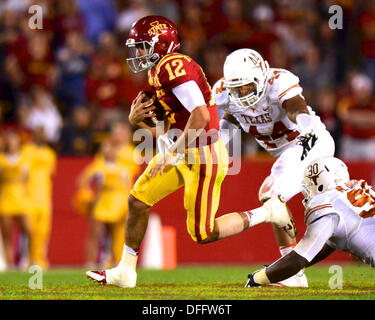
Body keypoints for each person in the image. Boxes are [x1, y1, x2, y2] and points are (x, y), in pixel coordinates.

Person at [86, 15, 294, 288]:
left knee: (202, 233)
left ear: (159, 44)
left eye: (142, 46)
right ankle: (126, 271)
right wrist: (138, 123)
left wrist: (172, 152)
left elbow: (200, 117)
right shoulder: (158, 70)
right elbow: (170, 128)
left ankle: (268, 213)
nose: (137, 53)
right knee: (138, 200)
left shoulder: (173, 66)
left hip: (204, 154)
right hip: (184, 148)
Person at [213, 48, 336, 286]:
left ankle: (292, 272)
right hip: (284, 151)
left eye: (246, 86)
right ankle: (293, 271)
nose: (241, 93)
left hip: (309, 141)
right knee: (320, 202)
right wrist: (218, 147)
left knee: (271, 194)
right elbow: (229, 120)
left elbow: (295, 107)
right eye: (236, 88)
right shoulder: (223, 92)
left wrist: (307, 127)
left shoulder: (278, 81)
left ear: (261, 76)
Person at [245, 156, 375, 287]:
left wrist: (258, 278)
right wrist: (279, 270)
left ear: (320, 182)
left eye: (309, 185)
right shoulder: (357, 188)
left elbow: (298, 259)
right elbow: (324, 247)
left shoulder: (326, 203)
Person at [76, 139, 132, 268]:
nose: (109, 152)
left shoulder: (124, 168)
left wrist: (126, 205)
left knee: (114, 234)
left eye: (111, 148)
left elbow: (128, 187)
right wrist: (88, 197)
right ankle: (90, 262)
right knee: (95, 233)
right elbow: (82, 181)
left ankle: (112, 261)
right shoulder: (98, 167)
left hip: (117, 203)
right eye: (105, 148)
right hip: (102, 201)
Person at [22, 126, 56, 270]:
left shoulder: (50, 154)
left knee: (43, 231)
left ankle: (40, 259)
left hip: (45, 197)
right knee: (29, 230)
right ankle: (27, 259)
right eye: (38, 133)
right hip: (29, 196)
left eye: (43, 133)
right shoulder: (27, 151)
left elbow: (51, 174)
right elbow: (23, 174)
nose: (41, 136)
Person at [0, 131, 31, 269]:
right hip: (6, 197)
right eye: (10, 141)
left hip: (20, 198)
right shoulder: (1, 159)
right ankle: (10, 262)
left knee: (28, 230)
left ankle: (24, 258)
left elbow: (27, 177)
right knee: (7, 234)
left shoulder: (24, 158)